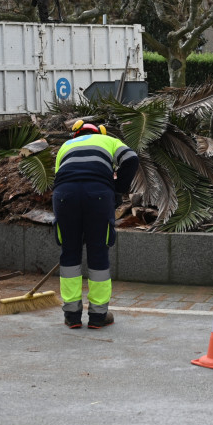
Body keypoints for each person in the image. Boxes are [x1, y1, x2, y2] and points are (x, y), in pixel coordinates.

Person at [53, 120, 139, 329]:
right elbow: (131, 158)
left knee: (70, 254)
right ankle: (98, 316)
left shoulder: (65, 146)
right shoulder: (108, 140)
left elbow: (59, 179)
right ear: (99, 132)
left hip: (65, 196)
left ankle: (72, 316)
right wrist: (118, 188)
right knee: (98, 252)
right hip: (98, 196)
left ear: (75, 134)